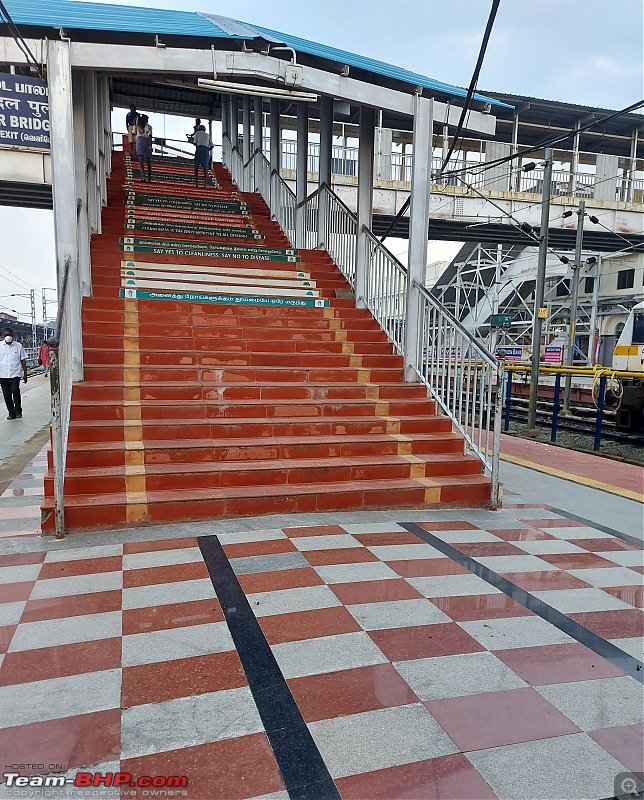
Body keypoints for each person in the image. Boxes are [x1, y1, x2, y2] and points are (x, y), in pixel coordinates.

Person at [0, 327, 28, 420]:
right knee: (7, 394)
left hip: (15, 373)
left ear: (13, 335)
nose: (8, 336)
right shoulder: (0, 346)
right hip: (3, 374)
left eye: (9, 334)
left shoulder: (18, 346)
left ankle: (18, 411)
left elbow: (23, 360)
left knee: (15, 390)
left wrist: (25, 374)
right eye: (6, 335)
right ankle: (11, 413)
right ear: (2, 335)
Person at [136, 115, 153, 182]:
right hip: (146, 141)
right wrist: (150, 145)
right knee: (148, 161)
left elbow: (134, 133)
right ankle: (148, 178)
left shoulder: (138, 126)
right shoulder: (149, 127)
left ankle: (144, 177)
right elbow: (150, 136)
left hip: (139, 141)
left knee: (141, 161)